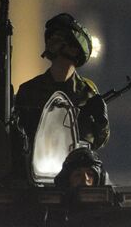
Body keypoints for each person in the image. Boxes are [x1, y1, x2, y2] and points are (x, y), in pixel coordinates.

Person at [15, 13, 109, 149]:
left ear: (75, 49)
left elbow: (97, 141)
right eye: (51, 38)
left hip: (73, 158)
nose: (51, 42)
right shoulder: (29, 90)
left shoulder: (87, 93)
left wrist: (101, 121)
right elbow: (16, 135)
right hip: (37, 158)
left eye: (58, 39)